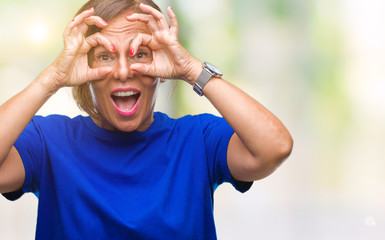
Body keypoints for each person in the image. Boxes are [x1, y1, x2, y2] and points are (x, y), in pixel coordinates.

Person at [0, 0, 293, 239]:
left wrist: (191, 68)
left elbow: (275, 147)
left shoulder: (197, 139)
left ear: (160, 68)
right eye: (105, 56)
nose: (124, 71)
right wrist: (51, 79)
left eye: (140, 53)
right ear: (84, 69)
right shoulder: (48, 141)